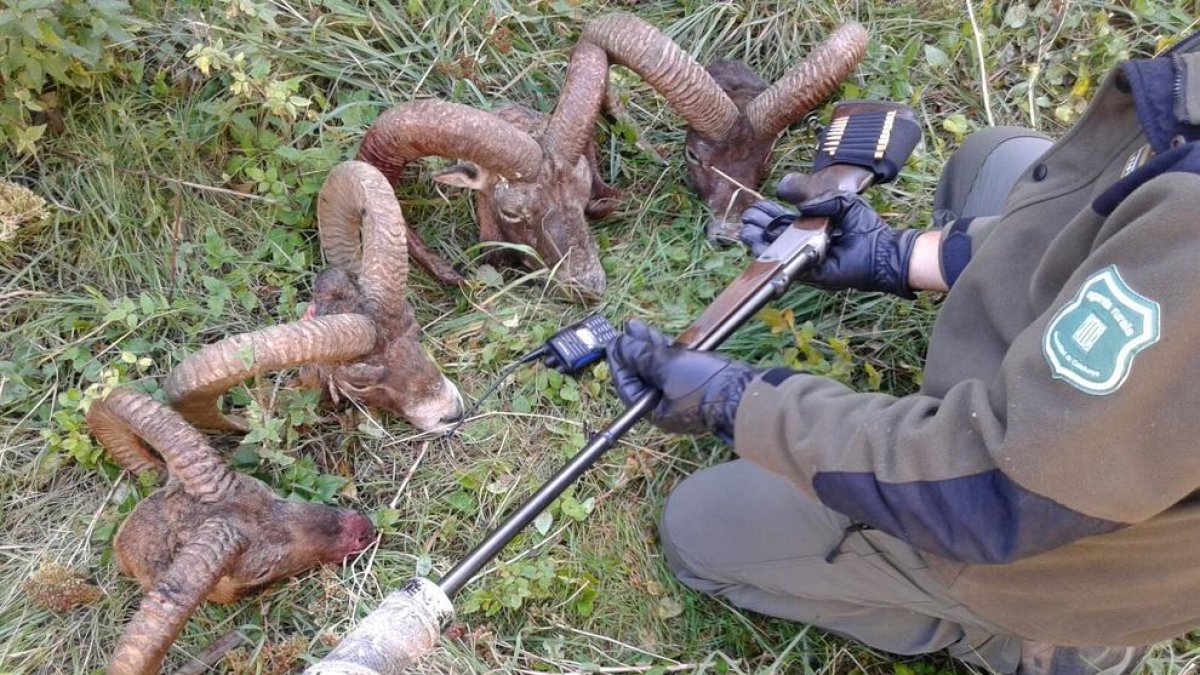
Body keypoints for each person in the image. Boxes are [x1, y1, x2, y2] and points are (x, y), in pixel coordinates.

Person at [607, 30, 1200, 675]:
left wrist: (738, 403)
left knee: (701, 529)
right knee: (995, 159)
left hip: (1062, 540)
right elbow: (1105, 228)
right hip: (1115, 421)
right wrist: (899, 257)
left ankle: (1045, 644)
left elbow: (997, 490)